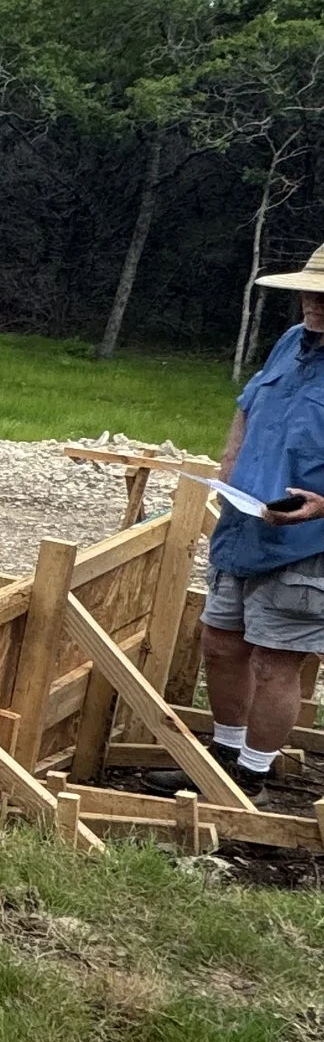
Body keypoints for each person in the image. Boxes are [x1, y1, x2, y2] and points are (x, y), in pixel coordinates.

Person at [176, 247, 324, 794]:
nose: (314, 301)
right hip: (244, 527)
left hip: (306, 541)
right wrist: (229, 467)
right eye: (310, 290)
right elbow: (246, 406)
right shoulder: (291, 343)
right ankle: (224, 754)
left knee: (275, 661)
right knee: (219, 642)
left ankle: (251, 778)